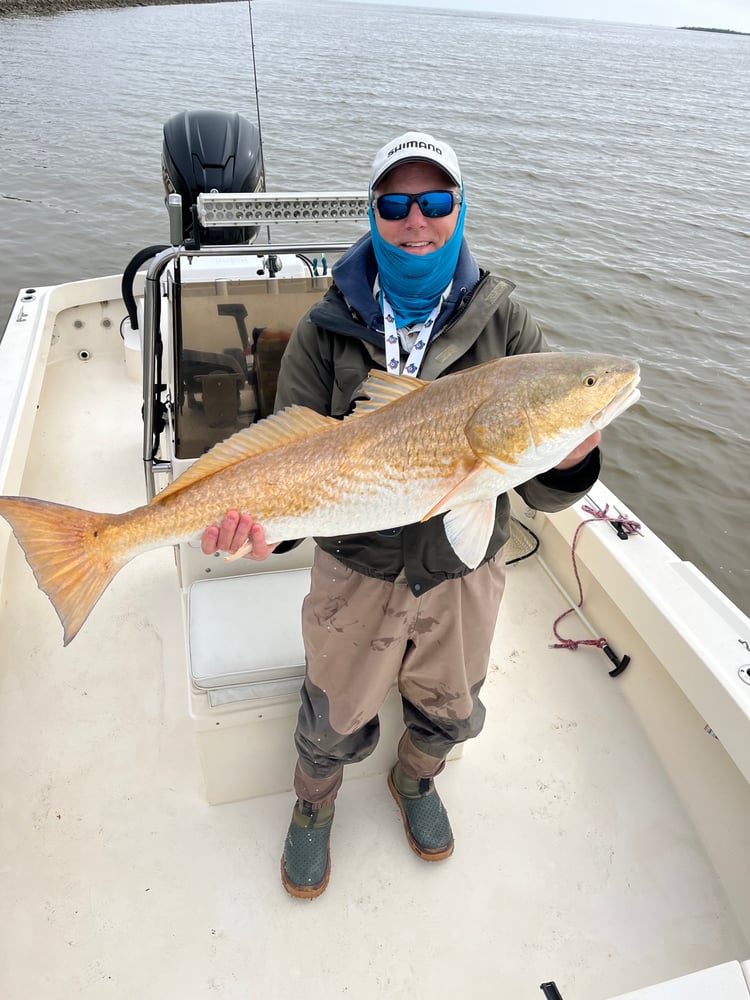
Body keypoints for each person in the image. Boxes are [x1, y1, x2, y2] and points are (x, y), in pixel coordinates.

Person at [201, 131, 601, 899]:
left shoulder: (505, 325)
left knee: (451, 706)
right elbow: (287, 462)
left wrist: (575, 456)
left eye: (437, 201)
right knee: (332, 712)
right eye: (396, 204)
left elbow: (542, 488)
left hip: (463, 568)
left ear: (460, 207)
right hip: (358, 567)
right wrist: (261, 529)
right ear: (374, 213)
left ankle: (417, 780)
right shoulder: (326, 329)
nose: (417, 220)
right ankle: (314, 805)